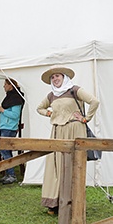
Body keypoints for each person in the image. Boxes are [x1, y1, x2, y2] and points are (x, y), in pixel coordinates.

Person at [35, 65, 99, 215]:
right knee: (56, 164)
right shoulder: (51, 95)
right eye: (53, 77)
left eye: (58, 76)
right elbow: (39, 108)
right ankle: (54, 202)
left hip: (74, 129)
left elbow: (94, 101)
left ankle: (72, 201)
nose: (55, 79)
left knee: (73, 164)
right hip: (57, 130)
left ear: (64, 77)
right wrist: (49, 114)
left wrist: (85, 118)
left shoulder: (75, 90)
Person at [0, 77, 24, 184]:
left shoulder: (16, 99)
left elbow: (15, 115)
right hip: (5, 127)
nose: (3, 86)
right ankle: (8, 174)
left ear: (10, 86)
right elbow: (7, 113)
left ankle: (11, 175)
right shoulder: (11, 98)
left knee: (5, 151)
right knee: (5, 151)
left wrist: (2, 110)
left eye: (5, 84)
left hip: (9, 128)